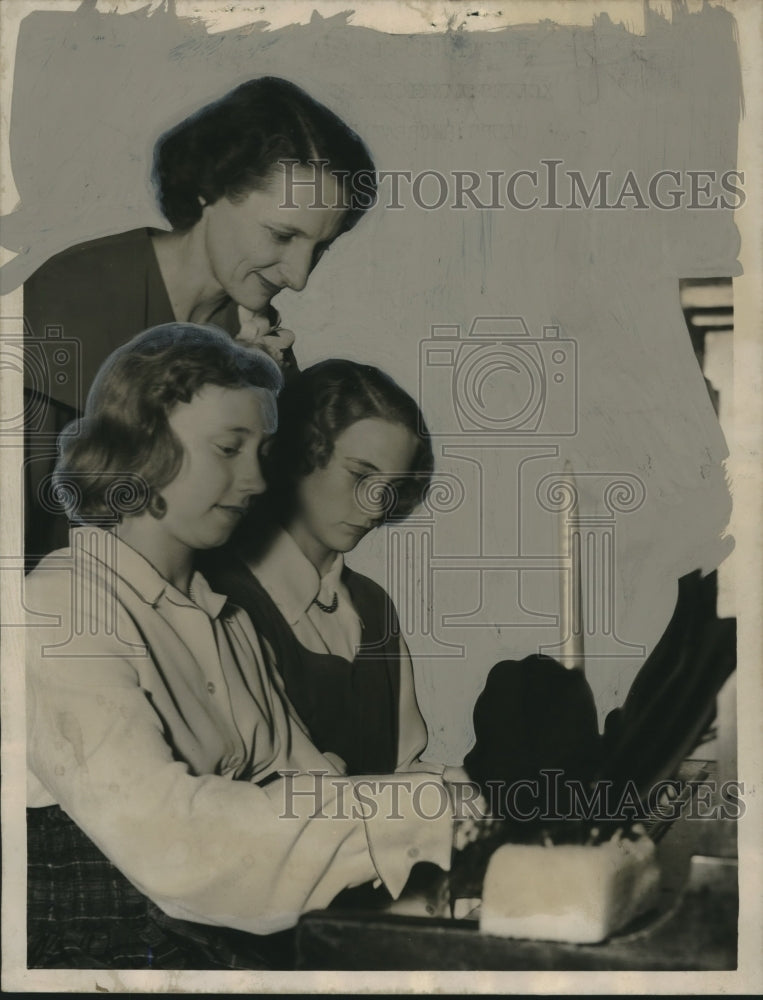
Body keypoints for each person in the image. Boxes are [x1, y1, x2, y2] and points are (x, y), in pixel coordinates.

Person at [25, 325, 463, 971]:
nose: (257, 481)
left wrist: (455, 804)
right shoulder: (57, 609)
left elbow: (312, 784)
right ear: (143, 444)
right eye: (230, 449)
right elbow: (175, 842)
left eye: (263, 451)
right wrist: (419, 813)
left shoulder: (224, 621)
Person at [23, 76, 376, 562]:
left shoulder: (259, 340)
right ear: (211, 188)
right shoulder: (74, 294)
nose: (298, 278)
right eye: (280, 235)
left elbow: (261, 536)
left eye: (320, 248)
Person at [203, 360, 439, 776]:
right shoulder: (222, 596)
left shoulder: (371, 606)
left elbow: (404, 768)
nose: (376, 505)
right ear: (298, 454)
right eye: (360, 475)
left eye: (391, 486)